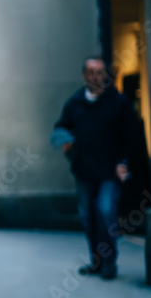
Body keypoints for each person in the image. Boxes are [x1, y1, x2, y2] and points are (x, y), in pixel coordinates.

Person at [53, 56, 139, 280]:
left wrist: (124, 162)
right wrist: (65, 141)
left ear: (106, 75)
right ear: (84, 76)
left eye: (100, 72)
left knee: (105, 211)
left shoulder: (118, 103)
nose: (96, 76)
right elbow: (61, 127)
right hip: (84, 170)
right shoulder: (75, 103)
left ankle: (109, 263)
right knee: (88, 216)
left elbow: (131, 136)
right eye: (91, 72)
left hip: (110, 171)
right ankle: (96, 262)